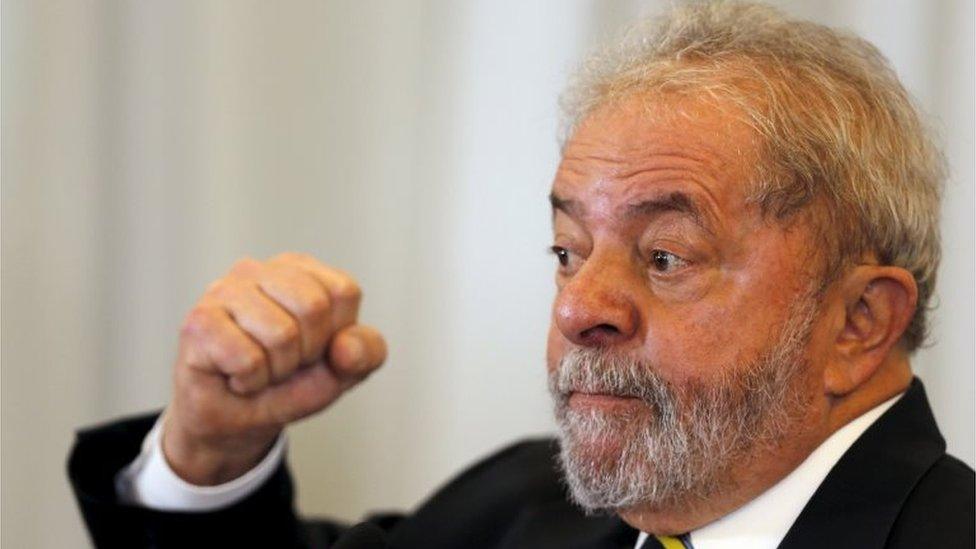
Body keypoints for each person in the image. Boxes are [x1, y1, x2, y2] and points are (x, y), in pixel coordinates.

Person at [68, 2, 974, 548]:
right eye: (567, 252)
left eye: (664, 257)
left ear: (859, 321)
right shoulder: (518, 510)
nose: (581, 306)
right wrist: (210, 454)